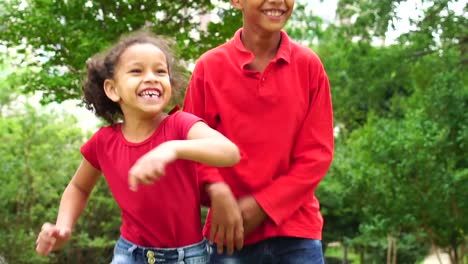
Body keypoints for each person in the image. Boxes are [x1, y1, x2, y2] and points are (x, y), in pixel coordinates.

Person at [35, 31, 244, 264]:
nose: (151, 77)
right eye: (137, 71)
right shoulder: (103, 142)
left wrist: (173, 148)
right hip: (129, 254)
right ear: (112, 89)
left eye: (160, 71)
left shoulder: (180, 124)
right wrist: (63, 226)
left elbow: (230, 152)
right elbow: (79, 187)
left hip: (187, 256)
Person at [183, 0, 334, 263]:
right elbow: (191, 147)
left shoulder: (309, 66)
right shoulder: (209, 67)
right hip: (229, 233)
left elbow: (317, 155)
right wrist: (217, 191)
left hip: (297, 233)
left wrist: (263, 205)